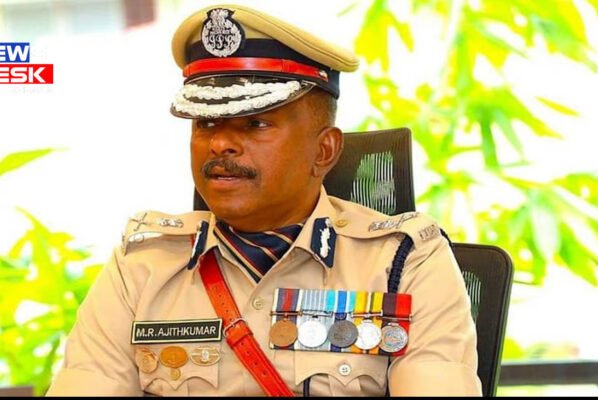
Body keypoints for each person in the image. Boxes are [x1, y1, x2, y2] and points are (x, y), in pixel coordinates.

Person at [46, 3, 481, 397]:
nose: (219, 144)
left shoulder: (403, 262)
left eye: (254, 124)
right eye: (205, 124)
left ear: (324, 150)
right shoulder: (142, 265)